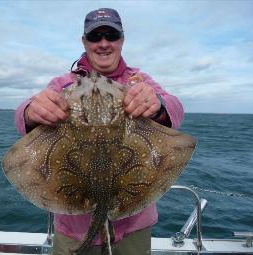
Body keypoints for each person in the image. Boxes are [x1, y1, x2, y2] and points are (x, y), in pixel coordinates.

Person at [14, 8, 184, 255]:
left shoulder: (138, 82)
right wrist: (30, 111)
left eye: (111, 35)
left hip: (134, 219)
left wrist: (157, 104)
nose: (103, 43)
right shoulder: (64, 84)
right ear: (84, 42)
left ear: (122, 40)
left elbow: (175, 108)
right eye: (95, 37)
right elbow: (22, 116)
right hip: (73, 228)